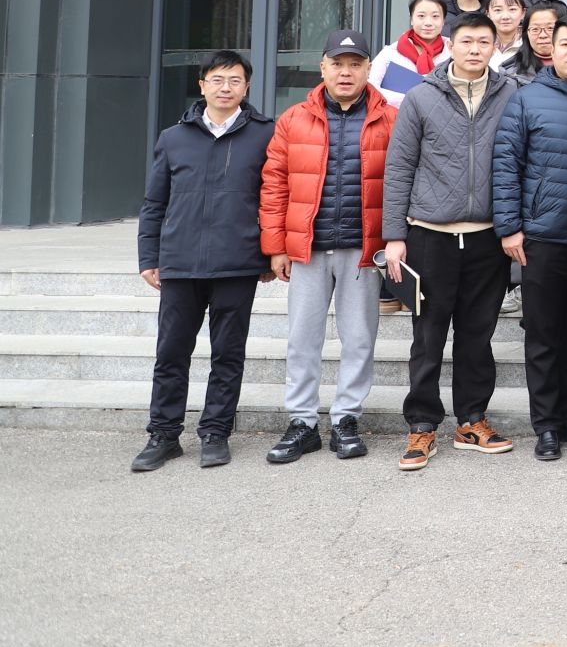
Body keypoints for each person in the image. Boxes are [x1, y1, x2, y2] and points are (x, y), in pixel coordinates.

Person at [381, 13, 520, 472]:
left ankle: (472, 420)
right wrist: (394, 236)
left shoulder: (511, 94)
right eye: (467, 41)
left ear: (494, 47)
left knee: (477, 336)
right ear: (451, 46)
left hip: (487, 239)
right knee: (428, 336)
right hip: (430, 236)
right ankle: (422, 425)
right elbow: (399, 167)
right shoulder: (422, 97)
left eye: (483, 41)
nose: (475, 49)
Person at [131, 51, 273, 473]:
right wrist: (149, 256)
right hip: (181, 261)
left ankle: (215, 432)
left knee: (228, 354)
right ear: (202, 85)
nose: (225, 88)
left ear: (247, 86)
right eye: (217, 79)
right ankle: (163, 434)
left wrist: (269, 252)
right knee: (171, 352)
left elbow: (273, 198)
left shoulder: (266, 134)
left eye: (234, 80)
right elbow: (154, 203)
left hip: (238, 261)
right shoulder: (173, 138)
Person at [260, 29, 394, 465]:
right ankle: (302, 422)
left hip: (362, 250)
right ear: (323, 67)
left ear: (368, 69)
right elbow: (274, 184)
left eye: (355, 64)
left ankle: (346, 419)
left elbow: (402, 184)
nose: (346, 72)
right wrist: (276, 246)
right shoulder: (294, 119)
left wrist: (395, 242)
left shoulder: (390, 118)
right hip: (308, 248)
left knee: (359, 339)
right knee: (302, 338)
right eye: (338, 64)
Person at [493, 11, 567, 460]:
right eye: (565, 44)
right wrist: (509, 227)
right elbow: (506, 164)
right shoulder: (526, 98)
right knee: (543, 333)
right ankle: (546, 425)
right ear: (550, 51)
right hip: (543, 235)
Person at [367, 0, 447, 105]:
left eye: (435, 16)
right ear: (411, 19)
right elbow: (371, 88)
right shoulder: (391, 53)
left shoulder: (454, 52)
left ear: (443, 21)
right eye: (421, 16)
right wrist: (413, 100)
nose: (428, 23)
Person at [508, 2, 557, 85]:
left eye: (550, 28)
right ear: (526, 33)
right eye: (535, 29)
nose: (543, 35)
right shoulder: (511, 75)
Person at [486, 0, 526, 71]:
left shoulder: (531, 43)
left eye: (512, 9)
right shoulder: (480, 43)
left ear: (523, 13)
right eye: (498, 10)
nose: (505, 16)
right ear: (488, 14)